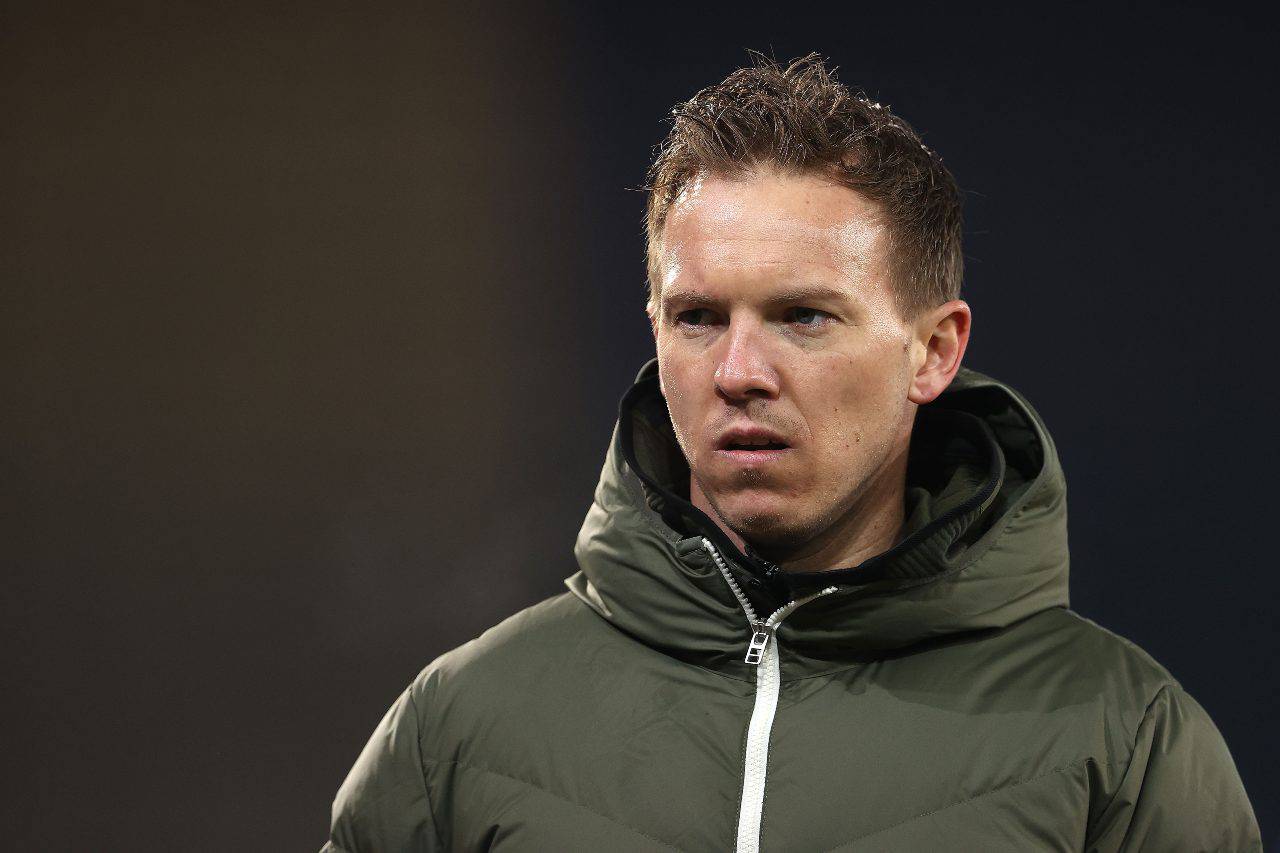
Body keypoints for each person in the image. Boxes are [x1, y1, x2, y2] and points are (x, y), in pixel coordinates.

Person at [321, 53, 1261, 852]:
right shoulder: (459, 730)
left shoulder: (1123, 743)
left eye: (803, 316)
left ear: (933, 351)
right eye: (698, 317)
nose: (738, 371)